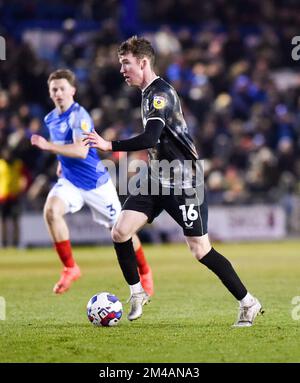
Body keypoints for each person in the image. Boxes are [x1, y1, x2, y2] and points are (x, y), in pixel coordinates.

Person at [83, 36, 264, 326]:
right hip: (156, 177)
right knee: (120, 231)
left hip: (185, 182)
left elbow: (151, 138)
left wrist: (109, 145)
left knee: (201, 250)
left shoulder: (159, 95)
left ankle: (249, 302)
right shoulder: (145, 94)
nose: (122, 70)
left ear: (142, 62)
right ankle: (137, 292)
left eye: (125, 63)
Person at [30, 69, 154, 296]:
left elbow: (79, 150)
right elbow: (65, 148)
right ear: (50, 93)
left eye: (62, 89)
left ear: (72, 91)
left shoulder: (80, 117)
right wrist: (60, 161)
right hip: (70, 181)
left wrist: (49, 147)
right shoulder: (50, 118)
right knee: (51, 211)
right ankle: (70, 268)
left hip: (96, 183)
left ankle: (145, 272)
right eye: (54, 89)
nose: (58, 93)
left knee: (121, 231)